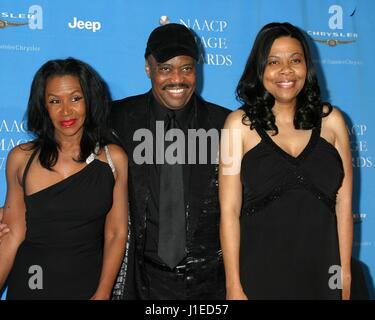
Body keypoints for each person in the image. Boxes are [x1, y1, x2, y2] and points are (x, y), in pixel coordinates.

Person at [219, 22, 353, 300]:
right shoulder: (238, 126)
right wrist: (233, 285)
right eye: (273, 62)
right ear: (260, 69)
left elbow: (344, 205)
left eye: (295, 60)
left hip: (324, 274)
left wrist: (345, 274)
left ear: (307, 67)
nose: (286, 71)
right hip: (260, 275)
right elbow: (229, 212)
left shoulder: (333, 122)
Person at [110, 23, 230, 299]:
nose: (177, 79)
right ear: (148, 68)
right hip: (140, 283)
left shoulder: (226, 125)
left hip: (210, 286)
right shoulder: (116, 119)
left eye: (186, 68)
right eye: (165, 68)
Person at [0, 58, 128, 299]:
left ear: (89, 100)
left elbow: (116, 232)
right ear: (43, 106)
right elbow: (13, 234)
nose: (66, 110)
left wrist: (102, 292)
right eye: (54, 101)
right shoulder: (21, 159)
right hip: (30, 286)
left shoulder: (113, 160)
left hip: (88, 287)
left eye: (75, 98)